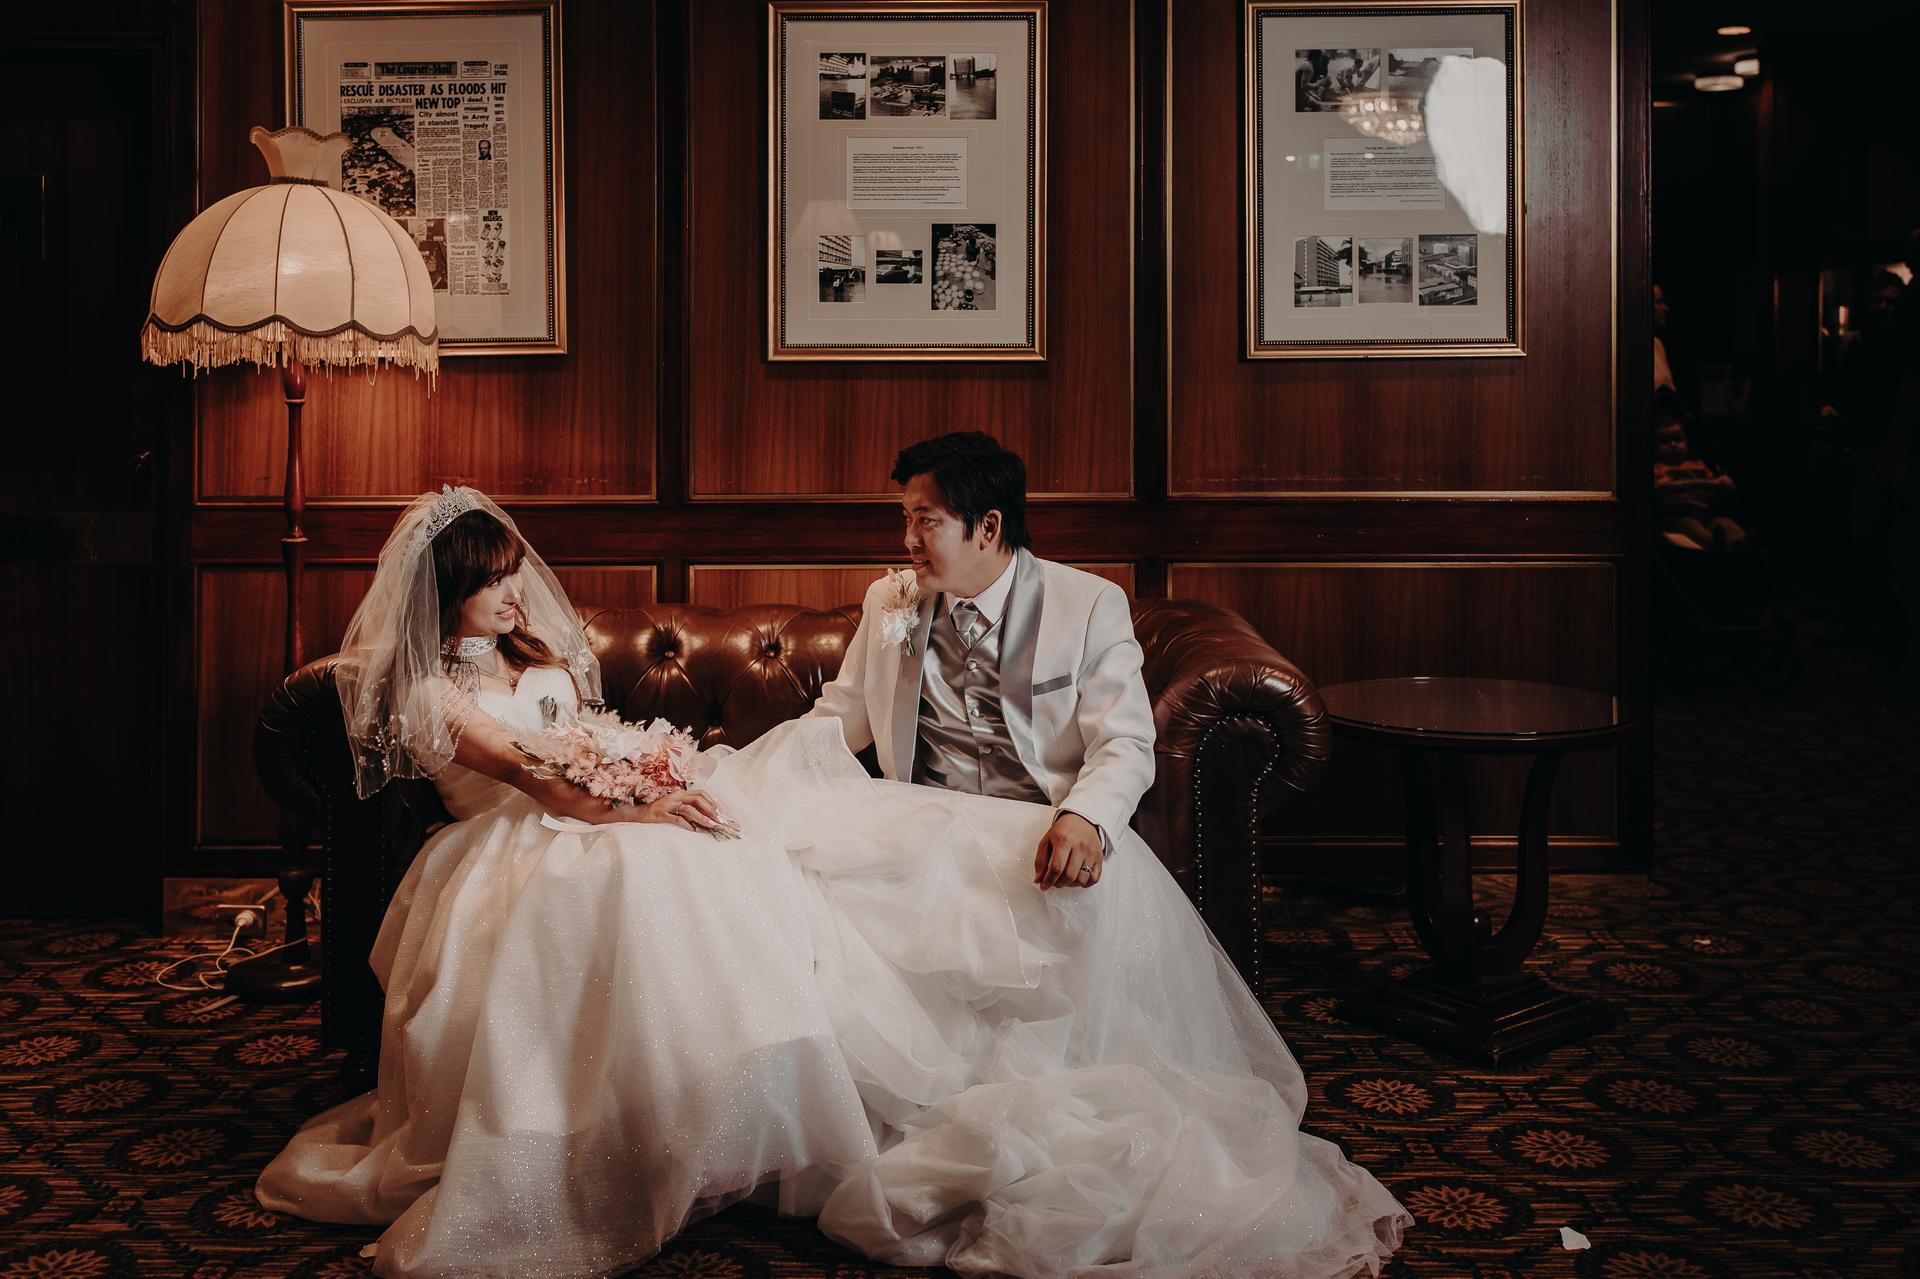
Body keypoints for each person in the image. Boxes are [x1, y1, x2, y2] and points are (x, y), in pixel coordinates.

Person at [796, 432, 1411, 1277]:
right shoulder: (891, 603)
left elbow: (1124, 743)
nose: (906, 541)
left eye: (923, 520)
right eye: (904, 518)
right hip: (915, 825)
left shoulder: (1087, 605)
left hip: (1034, 835)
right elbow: (844, 715)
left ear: (987, 526)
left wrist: (1085, 819)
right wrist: (760, 773)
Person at [256, 487, 878, 1279]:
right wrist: (643, 811)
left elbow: (586, 737)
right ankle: (617, 1133)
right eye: (492, 582)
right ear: (446, 593)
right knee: (639, 868)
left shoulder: (535, 653)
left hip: (589, 807)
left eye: (516, 572)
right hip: (506, 836)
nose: (516, 593)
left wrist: (651, 776)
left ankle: (719, 1108)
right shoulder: (428, 690)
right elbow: (529, 774)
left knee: (713, 849)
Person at [1655, 415, 1747, 550]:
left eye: (1678, 439)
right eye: (1665, 441)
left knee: (1731, 530)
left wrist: (1723, 484)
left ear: (1687, 444)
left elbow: (1718, 485)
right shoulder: (1659, 468)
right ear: (1655, 449)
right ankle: (1715, 548)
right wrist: (1709, 484)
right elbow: (1662, 487)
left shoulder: (1698, 465)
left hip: (1705, 512)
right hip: (1678, 515)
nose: (1673, 444)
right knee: (1701, 535)